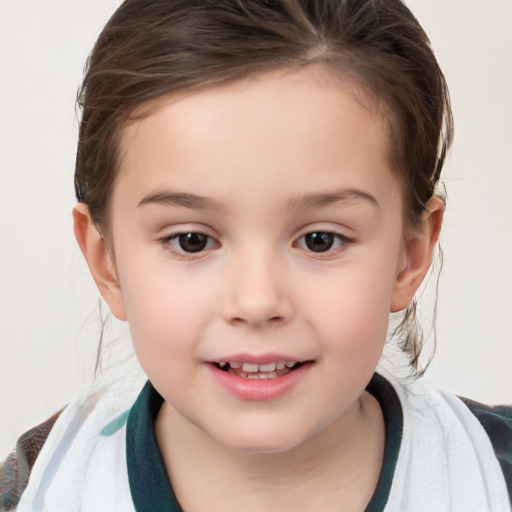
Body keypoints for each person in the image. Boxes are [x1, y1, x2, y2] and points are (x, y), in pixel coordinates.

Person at [1, 0, 511, 510]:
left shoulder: (493, 476)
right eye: (191, 240)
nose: (257, 300)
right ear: (105, 260)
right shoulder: (37, 488)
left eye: (320, 240)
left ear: (411, 252)